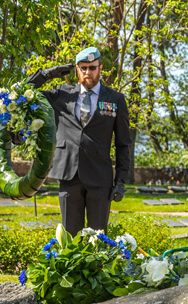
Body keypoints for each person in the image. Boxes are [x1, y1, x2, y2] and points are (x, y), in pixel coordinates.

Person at [26, 46, 132, 234]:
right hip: (69, 176)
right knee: (70, 239)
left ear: (100, 68)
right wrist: (47, 74)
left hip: (100, 178)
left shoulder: (115, 99)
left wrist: (121, 181)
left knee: (97, 240)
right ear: (77, 69)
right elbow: (24, 93)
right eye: (83, 68)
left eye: (92, 67)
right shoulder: (62, 95)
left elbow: (124, 144)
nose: (87, 72)